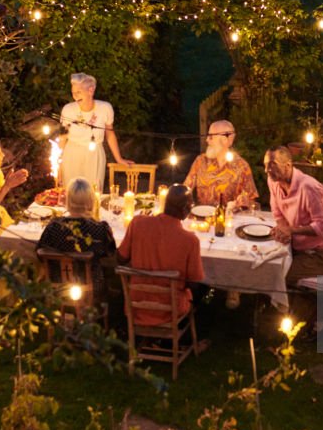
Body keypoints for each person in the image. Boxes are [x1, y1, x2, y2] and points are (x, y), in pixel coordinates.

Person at [117, 184, 204, 326]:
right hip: (170, 311)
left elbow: (120, 258)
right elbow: (194, 283)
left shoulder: (137, 223)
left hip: (137, 305)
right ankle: (176, 338)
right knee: (203, 291)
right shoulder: (190, 241)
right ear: (185, 209)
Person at [264, 145, 323, 286]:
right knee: (264, 262)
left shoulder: (309, 188)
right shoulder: (273, 181)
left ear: (287, 165)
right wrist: (283, 229)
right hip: (297, 246)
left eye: (272, 165)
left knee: (277, 275)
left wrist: (291, 230)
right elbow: (277, 211)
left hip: (321, 253)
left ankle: (285, 306)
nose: (267, 170)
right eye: (266, 165)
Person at [37, 177, 116, 297]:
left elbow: (39, 252)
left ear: (67, 201)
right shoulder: (100, 229)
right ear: (91, 201)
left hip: (58, 287)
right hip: (92, 289)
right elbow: (110, 255)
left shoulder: (54, 226)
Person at [58, 73, 132, 190]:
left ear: (91, 90)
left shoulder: (105, 108)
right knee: (71, 191)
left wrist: (119, 159)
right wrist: (59, 163)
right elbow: (63, 136)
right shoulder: (68, 109)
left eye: (78, 92)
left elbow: (110, 134)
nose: (75, 97)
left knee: (93, 191)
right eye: (73, 93)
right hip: (71, 154)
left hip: (94, 154)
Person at [183, 120, 259, 208]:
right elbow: (185, 189)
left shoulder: (241, 166)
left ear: (225, 139)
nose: (207, 140)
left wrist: (245, 201)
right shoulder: (200, 161)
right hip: (203, 218)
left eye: (211, 136)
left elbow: (252, 201)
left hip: (230, 219)